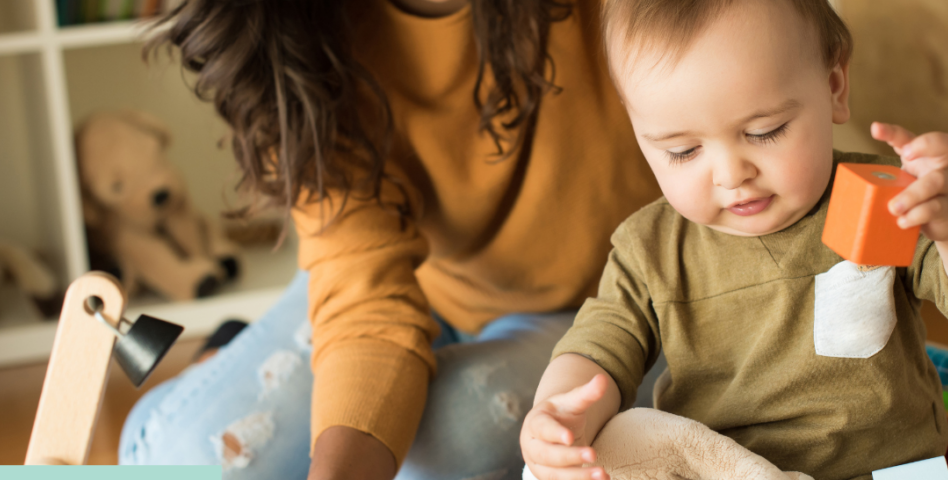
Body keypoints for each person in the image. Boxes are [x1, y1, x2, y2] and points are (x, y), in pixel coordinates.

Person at [118, 0, 668, 479]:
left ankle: (223, 357)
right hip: (405, 284)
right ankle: (220, 363)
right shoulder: (286, 32)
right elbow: (368, 305)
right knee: (179, 456)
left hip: (615, 306)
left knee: (439, 454)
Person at [519, 0, 948, 479]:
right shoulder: (649, 248)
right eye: (682, 151)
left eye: (764, 131)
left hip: (884, 469)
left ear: (834, 86)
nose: (730, 173)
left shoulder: (883, 199)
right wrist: (560, 409)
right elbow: (599, 347)